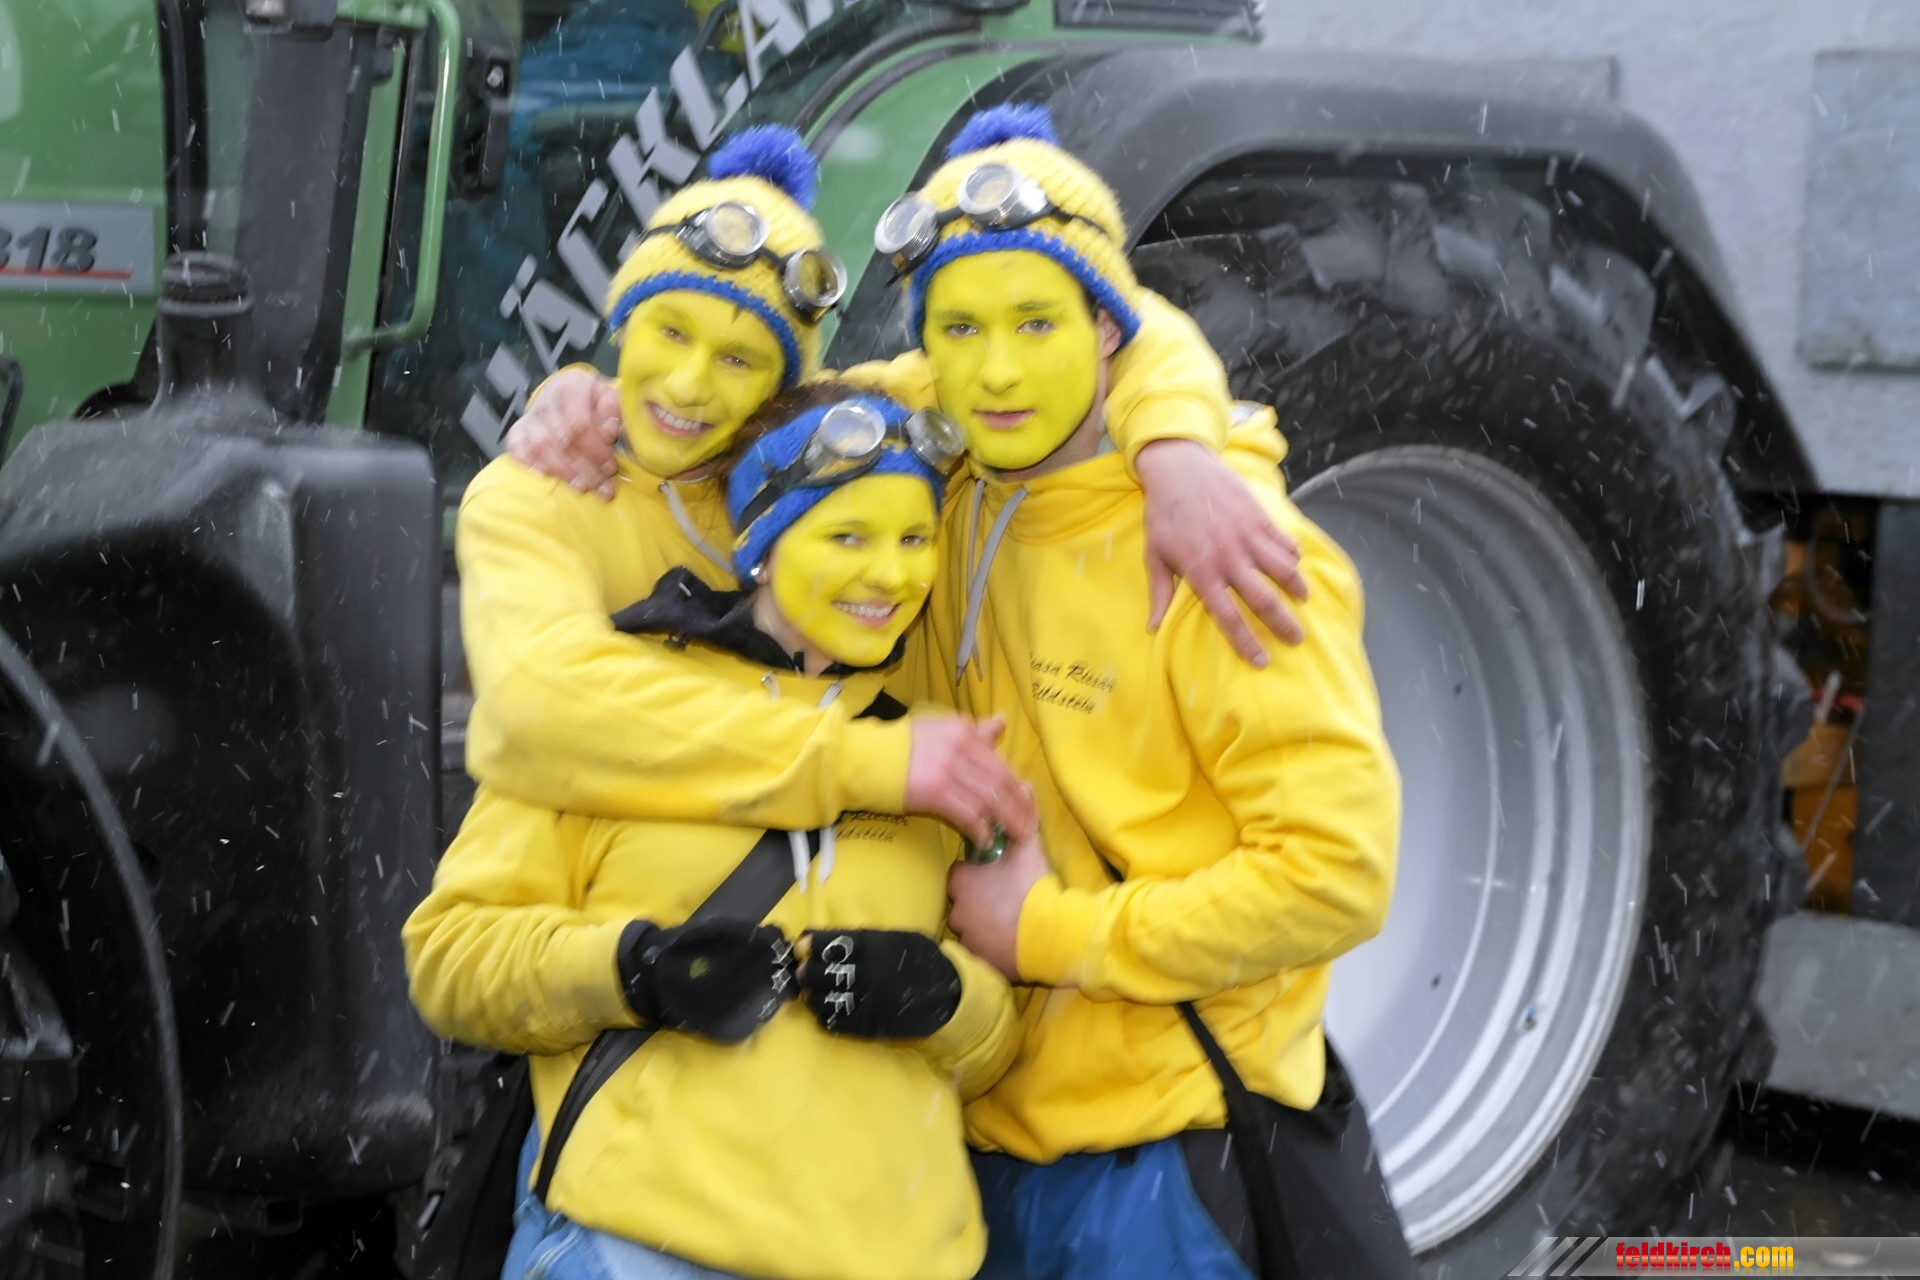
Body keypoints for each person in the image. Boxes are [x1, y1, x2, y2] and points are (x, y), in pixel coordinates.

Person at [459, 121, 1310, 870]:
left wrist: (1175, 449)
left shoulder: (825, 451)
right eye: (669, 333)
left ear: (786, 389)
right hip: (645, 893)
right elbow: (544, 706)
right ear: (620, 328)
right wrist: (879, 764)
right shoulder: (541, 494)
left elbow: (1112, 320)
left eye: (739, 359)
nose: (687, 385)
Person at [889, 105, 1414, 1279]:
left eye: (1038, 322)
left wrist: (1050, 932)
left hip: (1162, 1169)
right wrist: (582, 412)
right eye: (961, 328)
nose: (999, 369)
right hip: (979, 1144)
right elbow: (736, 404)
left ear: (1108, 332)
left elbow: (1334, 871)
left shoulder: (1226, 553)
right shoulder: (948, 490)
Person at [405, 383, 1023, 1280]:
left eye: (914, 539)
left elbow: (997, 1042)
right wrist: (636, 970)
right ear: (764, 548)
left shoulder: (939, 751)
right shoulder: (621, 712)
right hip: (638, 1252)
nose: (891, 576)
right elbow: (452, 960)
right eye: (848, 537)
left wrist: (941, 996)